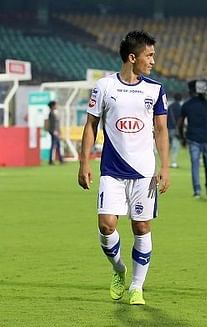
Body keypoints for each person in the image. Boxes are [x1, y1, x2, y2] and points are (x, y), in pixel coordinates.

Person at [77, 30, 170, 305]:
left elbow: (161, 129)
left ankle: (137, 287)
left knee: (141, 227)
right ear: (133, 57)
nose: (153, 60)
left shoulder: (155, 89)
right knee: (106, 226)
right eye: (149, 55)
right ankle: (119, 269)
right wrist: (84, 162)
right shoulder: (104, 87)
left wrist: (165, 166)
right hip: (112, 170)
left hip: (143, 172)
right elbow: (91, 126)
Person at [178, 79, 207, 198]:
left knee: (195, 164)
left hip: (192, 137)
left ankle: (197, 191)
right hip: (206, 137)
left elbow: (180, 123)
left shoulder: (186, 105)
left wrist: (182, 138)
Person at [46, 100, 64, 165]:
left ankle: (60, 159)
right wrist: (55, 131)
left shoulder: (54, 113)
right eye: (55, 105)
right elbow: (53, 124)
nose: (57, 106)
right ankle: (51, 160)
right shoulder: (51, 113)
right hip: (54, 131)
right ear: (53, 106)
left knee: (57, 145)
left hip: (55, 131)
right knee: (53, 146)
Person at [167, 93, 182, 168]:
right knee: (175, 146)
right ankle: (173, 162)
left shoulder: (170, 107)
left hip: (169, 128)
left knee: (169, 146)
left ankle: (166, 161)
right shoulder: (180, 107)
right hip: (176, 129)